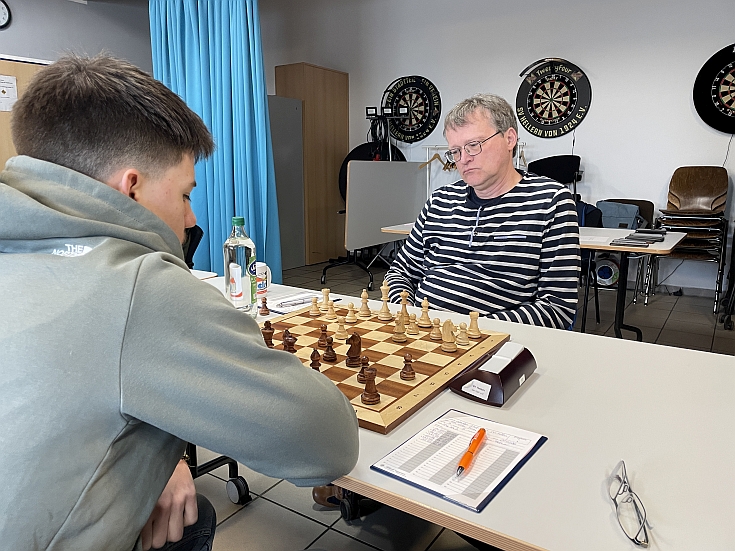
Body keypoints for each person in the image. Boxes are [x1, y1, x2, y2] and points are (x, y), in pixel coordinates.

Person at [0, 54, 359, 551]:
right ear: (131, 189)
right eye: (186, 195)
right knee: (195, 520)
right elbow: (329, 442)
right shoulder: (139, 286)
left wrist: (157, 457)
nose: (191, 219)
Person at [385, 94, 579, 329]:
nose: (463, 159)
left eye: (473, 145)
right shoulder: (439, 201)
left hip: (496, 341)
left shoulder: (551, 201)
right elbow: (400, 272)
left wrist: (472, 331)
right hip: (425, 333)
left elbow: (557, 309)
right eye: (455, 151)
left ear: (509, 139)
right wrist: (406, 312)